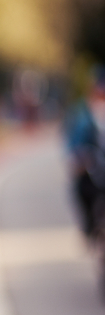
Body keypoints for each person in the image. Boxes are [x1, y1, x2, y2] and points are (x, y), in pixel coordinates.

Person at [64, 64, 105, 239]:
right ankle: (90, 227)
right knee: (82, 188)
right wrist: (78, 158)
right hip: (93, 168)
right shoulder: (81, 112)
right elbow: (72, 142)